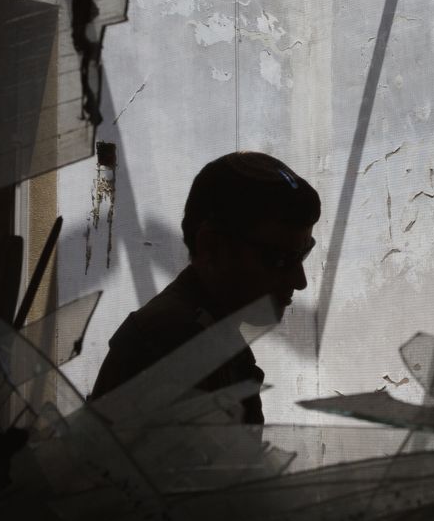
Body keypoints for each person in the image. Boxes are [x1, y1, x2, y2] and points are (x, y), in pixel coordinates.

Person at [89, 151, 319, 424]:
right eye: (279, 259)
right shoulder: (173, 351)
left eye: (302, 255)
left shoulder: (207, 334)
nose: (299, 281)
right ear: (211, 245)